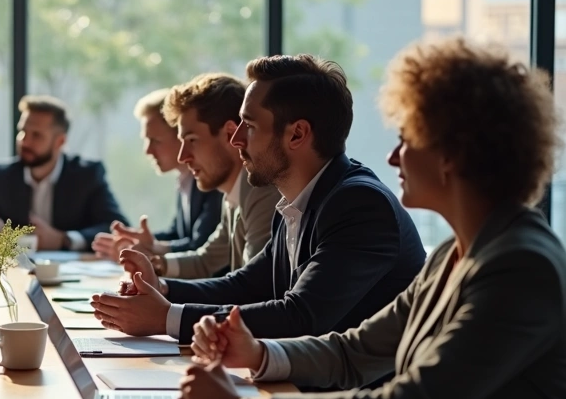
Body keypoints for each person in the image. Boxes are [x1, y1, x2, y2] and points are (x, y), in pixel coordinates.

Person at [175, 37, 566, 399]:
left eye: (408, 139)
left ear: (452, 153)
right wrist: (258, 351)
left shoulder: (520, 268)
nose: (392, 156)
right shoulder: (452, 257)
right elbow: (354, 349)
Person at [92, 54, 425, 344]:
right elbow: (250, 284)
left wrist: (167, 319)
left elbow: (301, 316)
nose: (235, 139)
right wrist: (163, 290)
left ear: (297, 134)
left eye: (248, 125)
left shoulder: (360, 204)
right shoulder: (295, 199)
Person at [129, 74, 277, 279]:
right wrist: (156, 265)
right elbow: (205, 261)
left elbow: (248, 288)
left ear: (229, 135)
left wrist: (164, 289)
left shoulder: (260, 192)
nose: (183, 156)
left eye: (192, 140)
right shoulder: (233, 195)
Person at [0, 95, 128, 250]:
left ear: (60, 141)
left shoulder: (87, 175)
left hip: (71, 272)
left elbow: (118, 227)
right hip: (16, 271)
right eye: (22, 132)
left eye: (36, 135)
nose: (25, 141)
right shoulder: (2, 176)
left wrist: (64, 239)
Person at [92, 88, 223, 259]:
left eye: (155, 140)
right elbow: (177, 235)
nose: (147, 150)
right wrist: (136, 243)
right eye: (146, 140)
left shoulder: (212, 181)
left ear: (181, 135)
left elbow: (200, 246)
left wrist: (150, 249)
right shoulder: (185, 179)